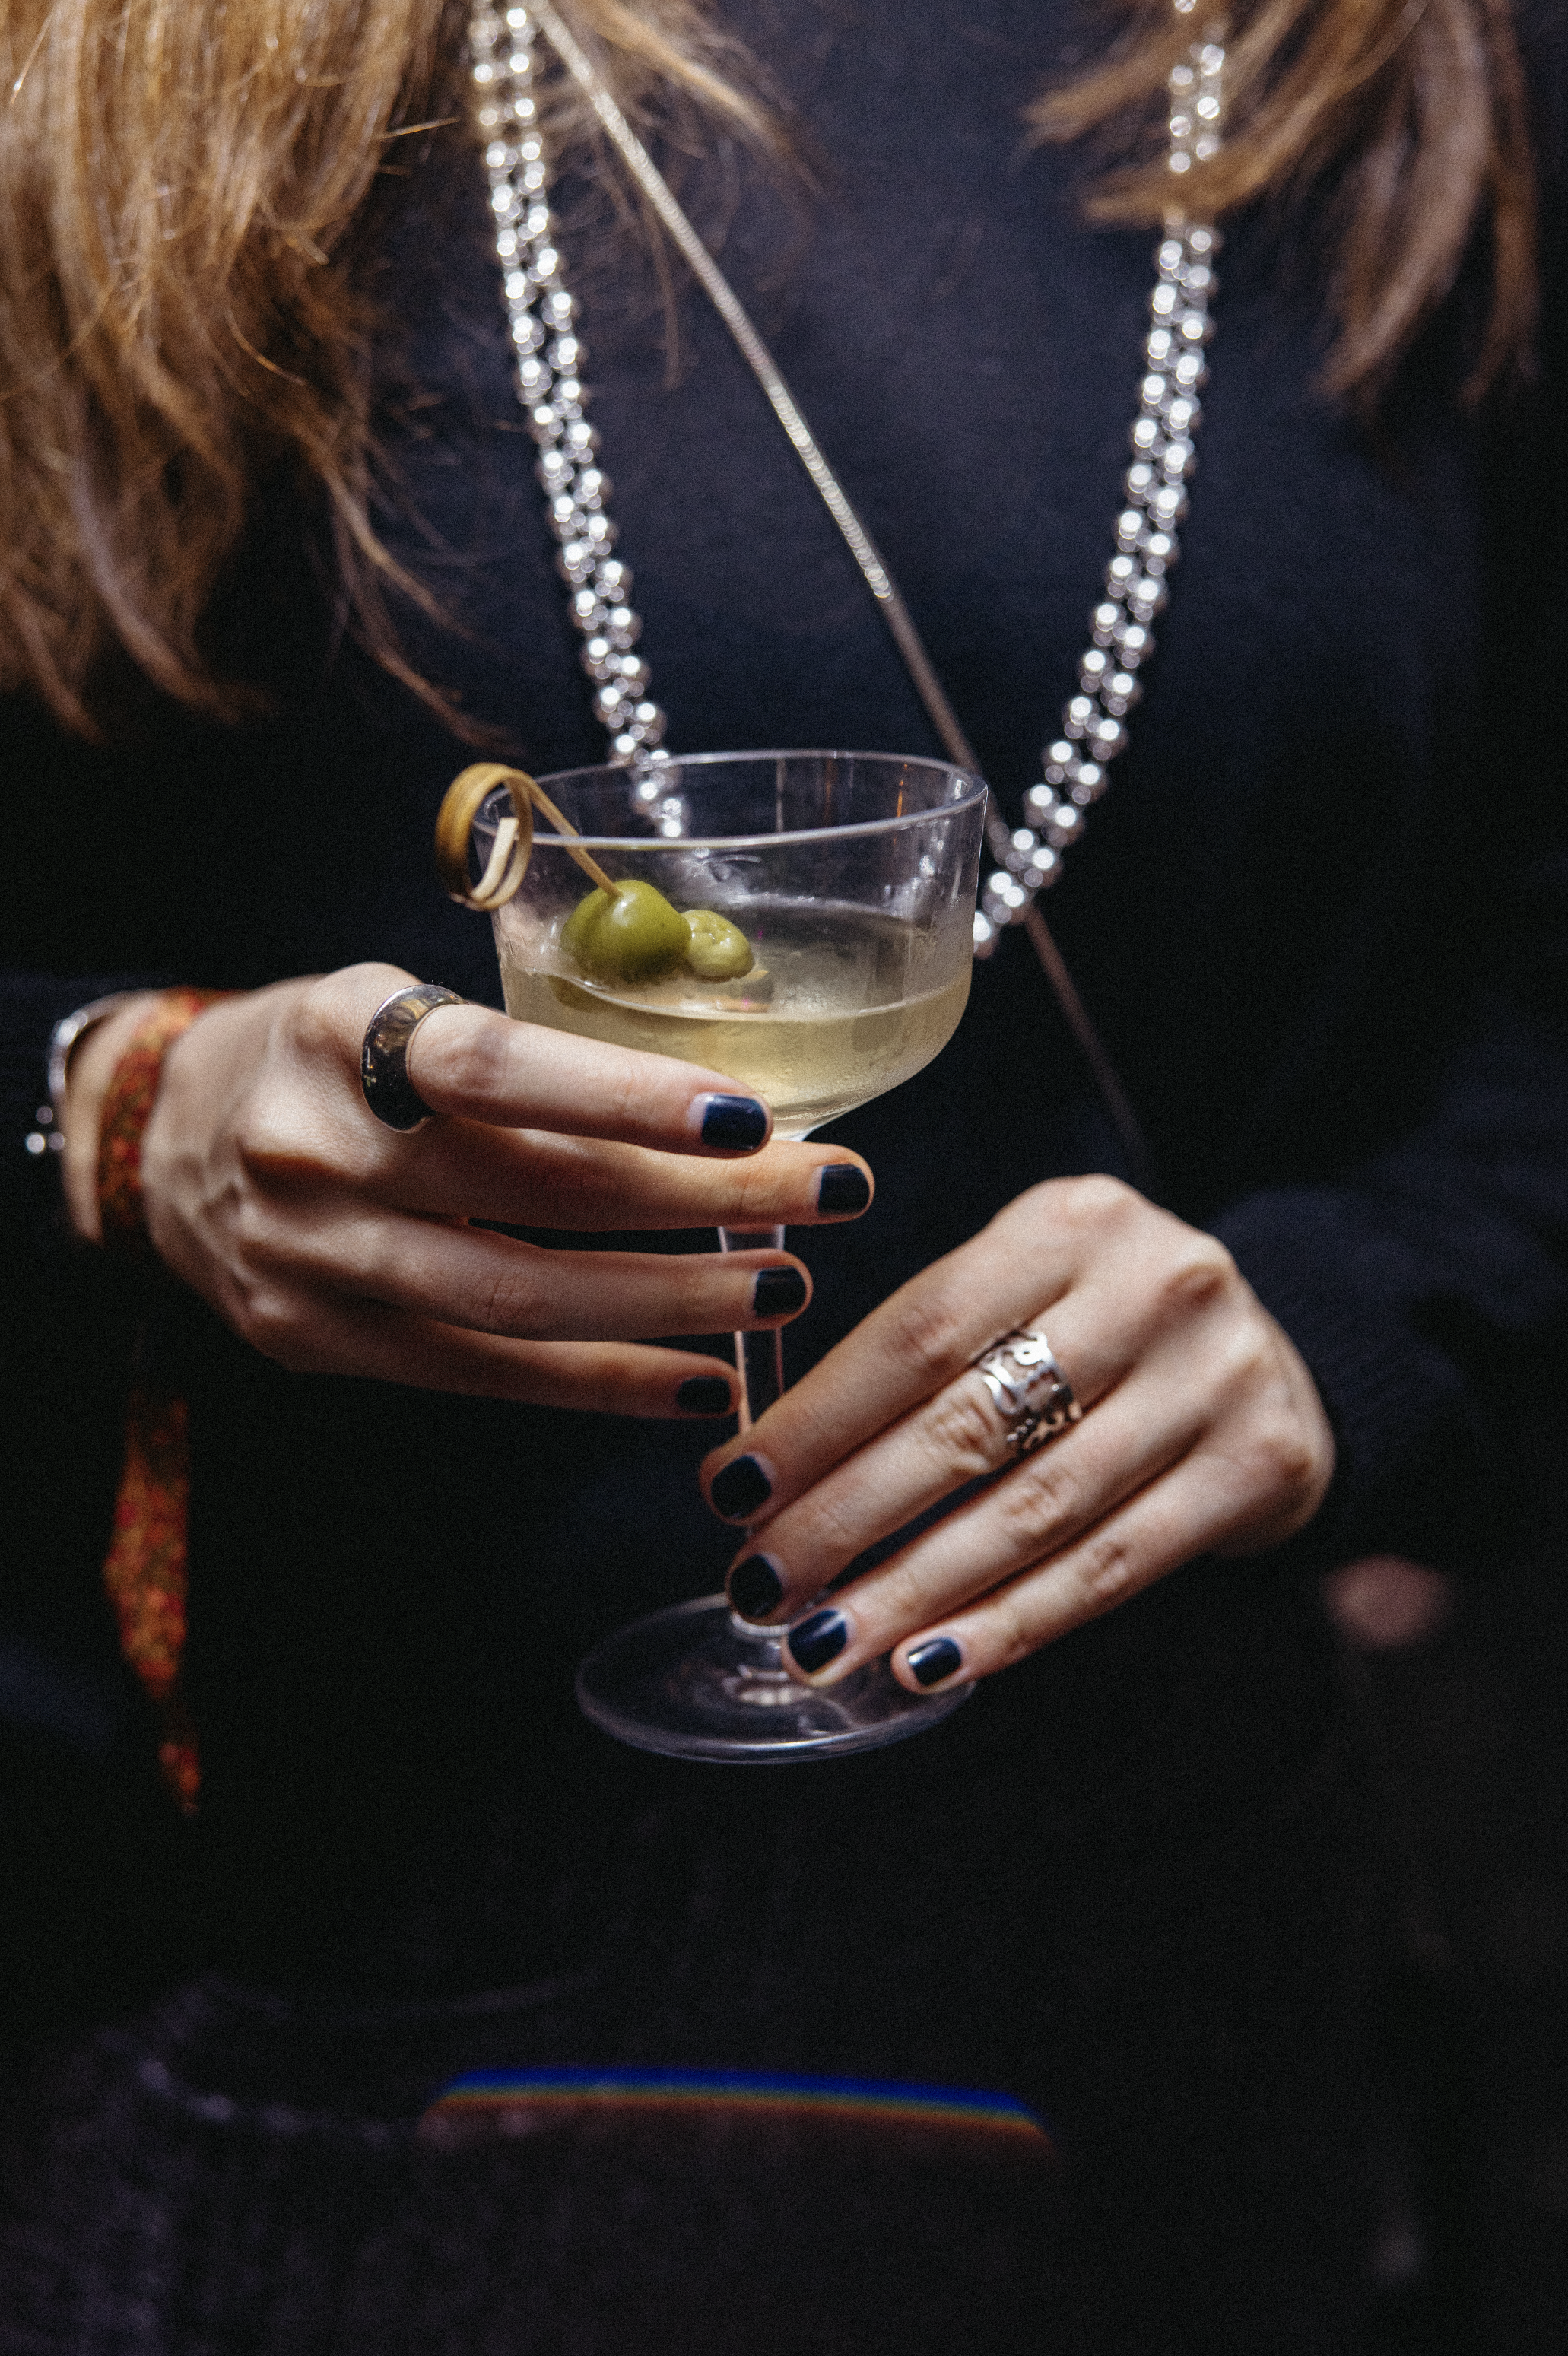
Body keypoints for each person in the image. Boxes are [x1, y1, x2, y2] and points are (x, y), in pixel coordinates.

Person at [2, 0, 1564, 2345]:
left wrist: (1359, 1322)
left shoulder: (1438, 65)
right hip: (276, 1985)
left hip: (1176, 2021)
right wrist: (111, 1102)